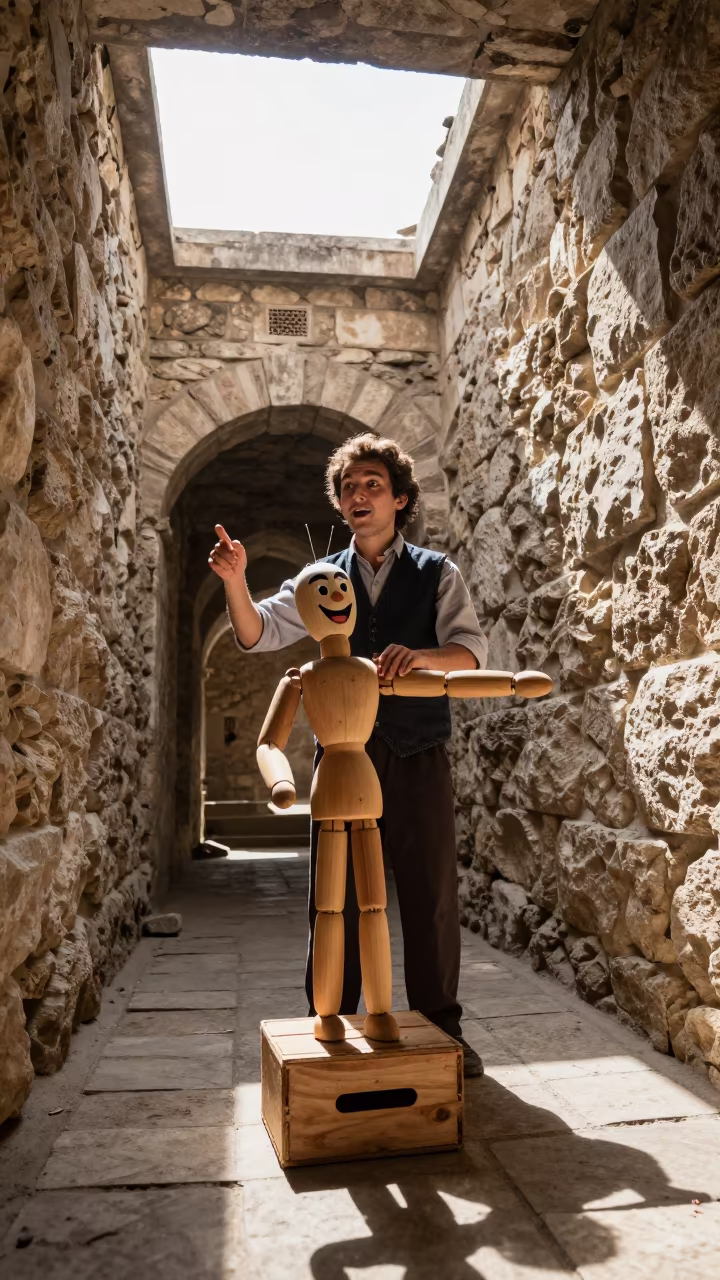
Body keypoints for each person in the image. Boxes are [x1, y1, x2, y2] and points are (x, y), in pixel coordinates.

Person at [208, 433, 488, 1075]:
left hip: (418, 749)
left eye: (372, 484)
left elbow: (469, 651)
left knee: (430, 894)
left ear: (400, 498)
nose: (358, 495)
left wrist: (420, 658)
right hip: (342, 756)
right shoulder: (319, 578)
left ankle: (444, 1027)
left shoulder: (438, 573)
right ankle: (329, 1019)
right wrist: (236, 582)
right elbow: (257, 634)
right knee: (331, 895)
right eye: (348, 487)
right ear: (340, 505)